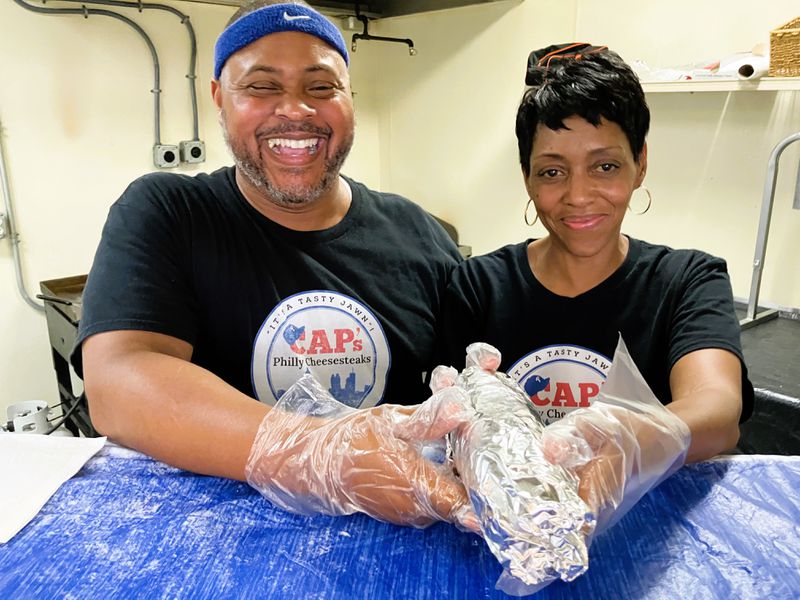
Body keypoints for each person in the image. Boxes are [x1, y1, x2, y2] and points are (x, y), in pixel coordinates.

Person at [72, 0, 474, 529]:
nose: (296, 110)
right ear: (219, 98)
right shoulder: (171, 214)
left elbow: (467, 391)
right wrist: (322, 453)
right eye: (261, 87)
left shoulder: (418, 233)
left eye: (321, 86)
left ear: (349, 97)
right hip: (205, 547)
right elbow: (120, 382)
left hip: (388, 543)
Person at [435, 43, 754, 530]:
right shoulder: (478, 287)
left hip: (648, 533)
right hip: (516, 528)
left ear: (639, 164)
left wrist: (627, 435)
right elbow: (451, 428)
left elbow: (717, 411)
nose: (579, 196)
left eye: (605, 166)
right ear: (527, 178)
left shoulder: (686, 281)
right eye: (552, 172)